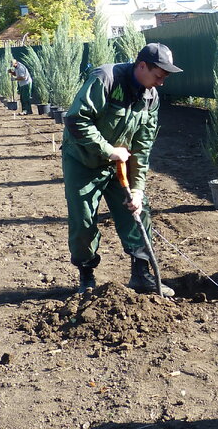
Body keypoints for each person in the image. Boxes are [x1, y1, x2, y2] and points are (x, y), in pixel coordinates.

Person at [61, 42, 182, 296]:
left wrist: (137, 190)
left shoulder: (151, 98)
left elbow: (143, 145)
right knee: (83, 220)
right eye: (159, 76)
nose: (161, 83)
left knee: (138, 211)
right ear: (142, 66)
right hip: (83, 161)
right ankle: (86, 275)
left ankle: (141, 274)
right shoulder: (106, 79)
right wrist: (107, 150)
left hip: (120, 164)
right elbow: (76, 119)